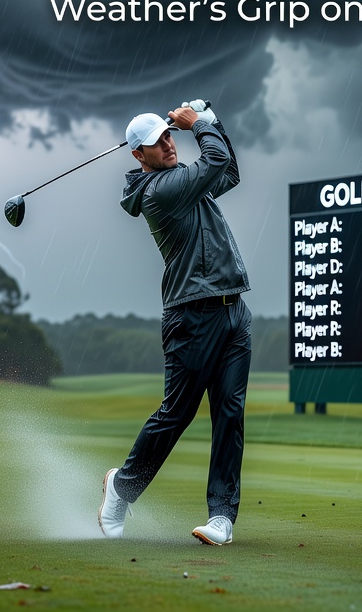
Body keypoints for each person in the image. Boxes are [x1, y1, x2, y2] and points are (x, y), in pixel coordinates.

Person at [98, 100, 252, 546]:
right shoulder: (160, 190)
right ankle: (121, 487)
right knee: (175, 415)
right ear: (138, 156)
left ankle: (222, 516)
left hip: (233, 311)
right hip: (192, 315)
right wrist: (199, 122)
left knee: (229, 414)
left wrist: (213, 121)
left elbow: (230, 171)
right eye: (156, 143)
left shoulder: (188, 181)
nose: (167, 144)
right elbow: (216, 158)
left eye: (168, 136)